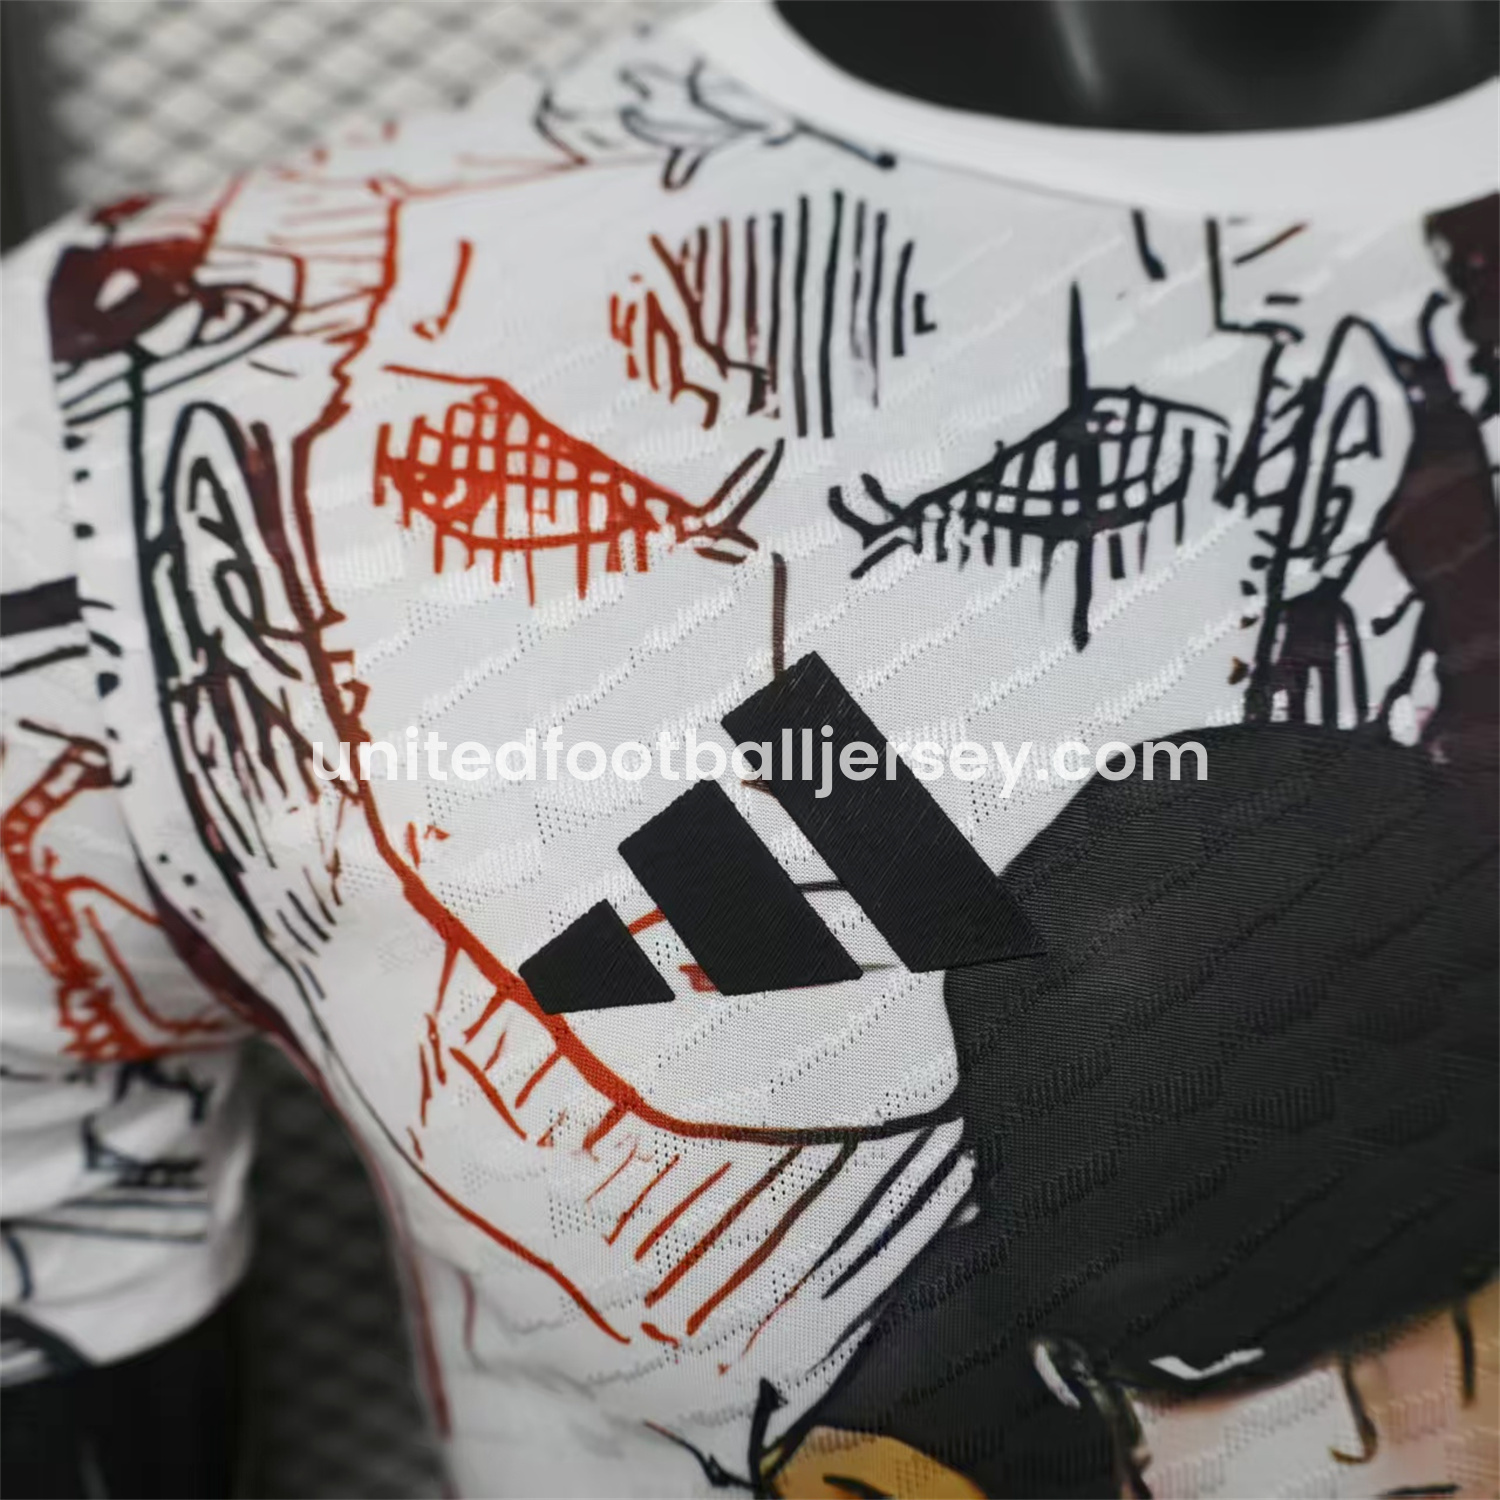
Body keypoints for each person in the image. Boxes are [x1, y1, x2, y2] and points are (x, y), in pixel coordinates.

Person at [3, 3, 1495, 1495]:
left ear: (1342, 458)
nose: (802, 693)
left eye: (1047, 495)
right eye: (554, 521)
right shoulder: (73, 440)